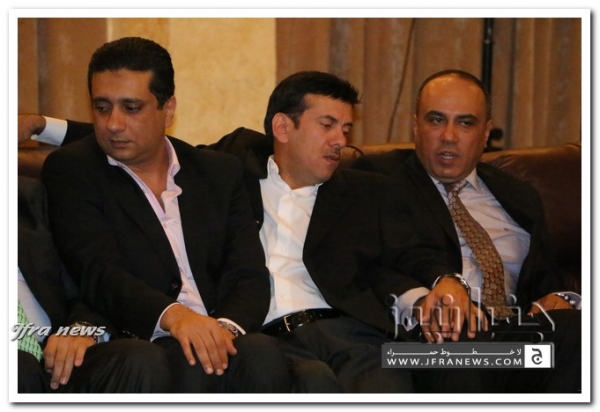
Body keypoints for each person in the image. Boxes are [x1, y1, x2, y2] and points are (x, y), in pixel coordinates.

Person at [21, 71, 455, 392]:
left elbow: (411, 250)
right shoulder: (231, 166)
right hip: (270, 333)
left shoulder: (365, 190)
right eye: (327, 126)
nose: (340, 140)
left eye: (346, 129)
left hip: (348, 330)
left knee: (420, 373)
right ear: (282, 128)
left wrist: (444, 280)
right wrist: (42, 125)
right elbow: (136, 135)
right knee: (311, 381)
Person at [39, 37, 290, 393]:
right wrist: (175, 317)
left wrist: (223, 331)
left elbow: (247, 272)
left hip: (221, 329)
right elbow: (98, 271)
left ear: (168, 109)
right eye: (102, 107)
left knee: (261, 353)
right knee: (188, 359)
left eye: (131, 108)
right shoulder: (73, 170)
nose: (113, 124)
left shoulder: (217, 171)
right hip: (142, 334)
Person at [352, 69, 581, 393]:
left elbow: (546, 283)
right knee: (457, 328)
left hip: (515, 342)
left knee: (577, 331)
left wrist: (562, 297)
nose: (449, 136)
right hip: (424, 346)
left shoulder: (520, 196)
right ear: (416, 126)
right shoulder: (381, 178)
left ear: (485, 133)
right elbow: (368, 264)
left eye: (465, 123)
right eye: (436, 120)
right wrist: (425, 300)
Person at [18, 175, 171, 393]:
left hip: (53, 355)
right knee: (18, 366)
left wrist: (83, 326)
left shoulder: (25, 197)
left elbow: (80, 283)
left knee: (140, 359)